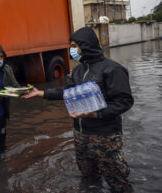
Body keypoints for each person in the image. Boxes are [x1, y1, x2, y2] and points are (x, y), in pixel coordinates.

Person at [22, 27, 134, 193]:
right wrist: (41, 93)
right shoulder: (78, 71)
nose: (71, 50)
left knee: (117, 181)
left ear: (86, 45)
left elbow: (125, 101)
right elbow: (66, 92)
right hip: (81, 135)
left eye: (74, 46)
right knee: (88, 178)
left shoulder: (112, 69)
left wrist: (98, 113)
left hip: (105, 136)